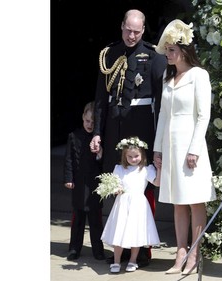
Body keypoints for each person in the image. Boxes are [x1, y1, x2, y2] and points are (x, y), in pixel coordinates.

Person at [90, 9, 167, 266]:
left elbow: (162, 99)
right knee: (116, 184)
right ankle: (119, 246)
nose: (131, 35)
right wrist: (98, 132)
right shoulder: (109, 54)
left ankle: (142, 247)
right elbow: (101, 99)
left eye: (136, 31)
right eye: (127, 29)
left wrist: (160, 138)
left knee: (142, 186)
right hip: (115, 125)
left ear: (143, 30)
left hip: (141, 124)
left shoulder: (154, 56)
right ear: (121, 26)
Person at [153, 19, 217, 275]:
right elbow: (163, 117)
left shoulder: (198, 75)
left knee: (194, 202)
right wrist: (158, 149)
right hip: (170, 147)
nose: (167, 54)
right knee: (178, 202)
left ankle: (194, 255)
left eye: (171, 50)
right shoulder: (168, 79)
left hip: (191, 147)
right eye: (166, 49)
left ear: (184, 50)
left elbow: (203, 115)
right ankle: (180, 253)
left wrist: (195, 149)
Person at [101, 136, 161, 273]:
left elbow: (157, 183)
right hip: (122, 204)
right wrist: (116, 189)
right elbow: (114, 184)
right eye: (130, 157)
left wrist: (159, 169)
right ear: (124, 156)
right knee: (119, 232)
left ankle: (133, 260)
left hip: (138, 204)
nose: (134, 159)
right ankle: (116, 261)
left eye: (136, 156)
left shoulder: (146, 170)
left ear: (142, 155)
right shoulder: (119, 169)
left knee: (136, 232)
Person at [63, 101, 105, 261]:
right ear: (82, 117)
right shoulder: (73, 136)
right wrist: (69, 178)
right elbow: (68, 160)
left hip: (94, 185)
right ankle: (74, 248)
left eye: (93, 123)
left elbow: (103, 163)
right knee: (78, 219)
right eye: (87, 121)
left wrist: (100, 153)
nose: (90, 125)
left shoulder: (99, 140)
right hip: (79, 184)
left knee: (95, 220)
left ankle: (98, 250)